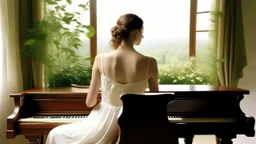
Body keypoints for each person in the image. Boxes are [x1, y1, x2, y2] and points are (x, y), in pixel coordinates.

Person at [46, 13, 159, 144]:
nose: (143, 36)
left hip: (103, 125)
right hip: (134, 125)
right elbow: (155, 104)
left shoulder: (100, 58)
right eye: (142, 31)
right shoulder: (150, 63)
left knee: (56, 134)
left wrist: (110, 94)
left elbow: (90, 102)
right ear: (135, 32)